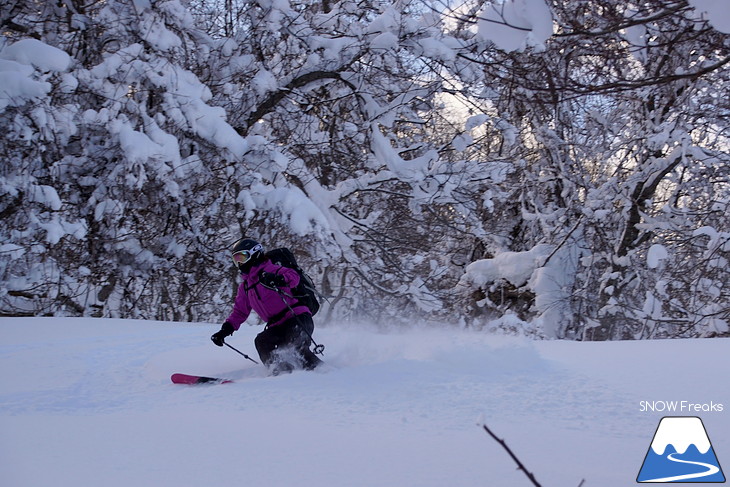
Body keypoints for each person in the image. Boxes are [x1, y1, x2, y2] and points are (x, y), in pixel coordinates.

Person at [211, 238, 322, 374]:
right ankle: (282, 374)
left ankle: (324, 374)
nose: (239, 263)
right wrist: (225, 331)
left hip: (297, 318)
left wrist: (278, 279)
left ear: (254, 253)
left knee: (296, 347)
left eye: (242, 257)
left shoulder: (271, 270)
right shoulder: (246, 287)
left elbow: (293, 277)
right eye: (236, 259)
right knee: (262, 342)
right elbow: (239, 312)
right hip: (276, 326)